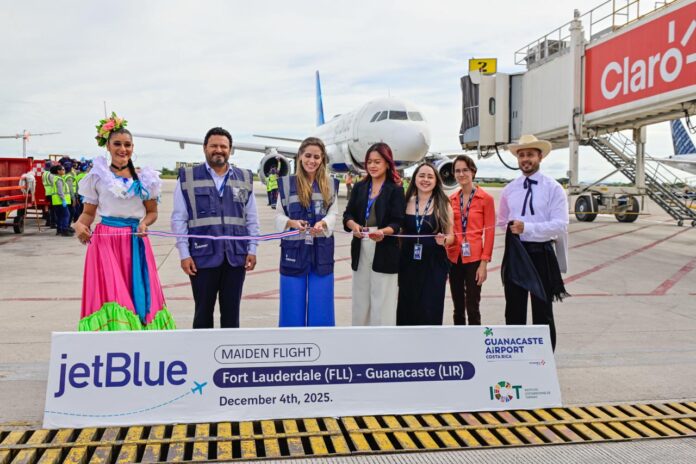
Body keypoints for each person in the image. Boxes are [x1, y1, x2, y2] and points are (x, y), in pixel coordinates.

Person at [73, 114, 175, 331]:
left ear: (133, 147)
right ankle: (114, 336)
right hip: (105, 243)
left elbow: (152, 212)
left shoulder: (146, 179)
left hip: (134, 240)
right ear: (108, 147)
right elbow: (88, 214)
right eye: (117, 144)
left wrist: (145, 224)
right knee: (113, 292)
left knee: (138, 290)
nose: (123, 149)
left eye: (127, 145)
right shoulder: (97, 177)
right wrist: (79, 225)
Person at [171, 127, 259, 329]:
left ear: (230, 150)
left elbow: (252, 219)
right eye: (214, 146)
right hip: (202, 257)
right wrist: (184, 254)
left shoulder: (244, 178)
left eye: (223, 146)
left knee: (231, 315)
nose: (219, 150)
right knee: (202, 314)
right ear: (205, 148)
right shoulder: (187, 178)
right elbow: (179, 219)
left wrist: (252, 249)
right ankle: (203, 349)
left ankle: (229, 350)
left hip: (235, 257)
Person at [497, 134, 569, 350]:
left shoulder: (553, 188)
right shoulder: (510, 189)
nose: (525, 159)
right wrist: (512, 228)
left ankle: (544, 359)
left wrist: (527, 228)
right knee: (514, 309)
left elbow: (560, 225)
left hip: (541, 253)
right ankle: (516, 356)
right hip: (517, 253)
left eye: (530, 155)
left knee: (543, 310)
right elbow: (501, 221)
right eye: (521, 155)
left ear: (540, 157)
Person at [275, 137, 339, 326]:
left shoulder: (330, 184)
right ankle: (291, 341)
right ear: (300, 156)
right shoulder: (286, 184)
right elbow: (278, 215)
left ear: (322, 159)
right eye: (308, 156)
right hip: (293, 252)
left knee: (322, 307)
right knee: (291, 307)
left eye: (317, 157)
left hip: (321, 252)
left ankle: (321, 341)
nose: (312, 161)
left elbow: (333, 213)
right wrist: (291, 222)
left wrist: (324, 223)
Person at [343, 142, 405, 326]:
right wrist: (353, 225)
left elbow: (398, 222)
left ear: (387, 163)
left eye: (377, 162)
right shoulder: (359, 187)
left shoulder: (395, 189)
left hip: (384, 245)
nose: (372, 165)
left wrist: (383, 232)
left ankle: (382, 340)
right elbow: (348, 214)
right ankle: (360, 338)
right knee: (360, 298)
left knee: (382, 299)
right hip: (361, 243)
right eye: (369, 162)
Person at [396, 162, 453, 325]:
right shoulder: (406, 202)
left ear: (436, 181)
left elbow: (452, 236)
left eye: (430, 177)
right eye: (421, 176)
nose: (425, 180)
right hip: (408, 263)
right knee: (407, 307)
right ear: (414, 179)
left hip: (433, 264)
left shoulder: (443, 204)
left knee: (430, 309)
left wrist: (444, 240)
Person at [446, 155, 495, 325]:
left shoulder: (485, 199)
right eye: (457, 171)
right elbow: (448, 229)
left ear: (473, 171)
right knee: (457, 307)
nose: (461, 174)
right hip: (454, 257)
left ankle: (475, 339)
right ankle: (460, 339)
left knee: (473, 306)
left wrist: (484, 264)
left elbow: (490, 233)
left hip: (474, 259)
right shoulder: (451, 199)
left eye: (465, 170)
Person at [50, 165, 72, 237]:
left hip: (56, 201)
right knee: (66, 215)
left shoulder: (56, 178)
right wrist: (63, 200)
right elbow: (60, 191)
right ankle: (64, 230)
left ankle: (59, 230)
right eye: (62, 169)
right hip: (60, 201)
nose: (64, 171)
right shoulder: (59, 179)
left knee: (60, 216)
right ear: (58, 171)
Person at [41, 161, 56, 228]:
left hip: (47, 192)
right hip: (52, 193)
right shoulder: (50, 174)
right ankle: (53, 223)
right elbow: (54, 183)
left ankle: (48, 221)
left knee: (49, 208)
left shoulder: (44, 174)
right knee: (53, 209)